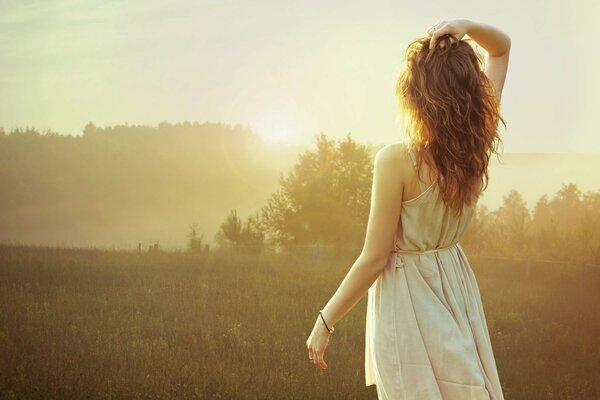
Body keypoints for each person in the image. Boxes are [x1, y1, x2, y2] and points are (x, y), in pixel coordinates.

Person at [305, 19, 511, 399]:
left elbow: (373, 258)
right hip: (455, 283)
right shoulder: (476, 142)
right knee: (467, 386)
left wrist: (325, 320)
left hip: (408, 297)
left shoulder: (397, 160)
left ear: (417, 95)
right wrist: (465, 25)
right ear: (469, 91)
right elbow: (501, 48)